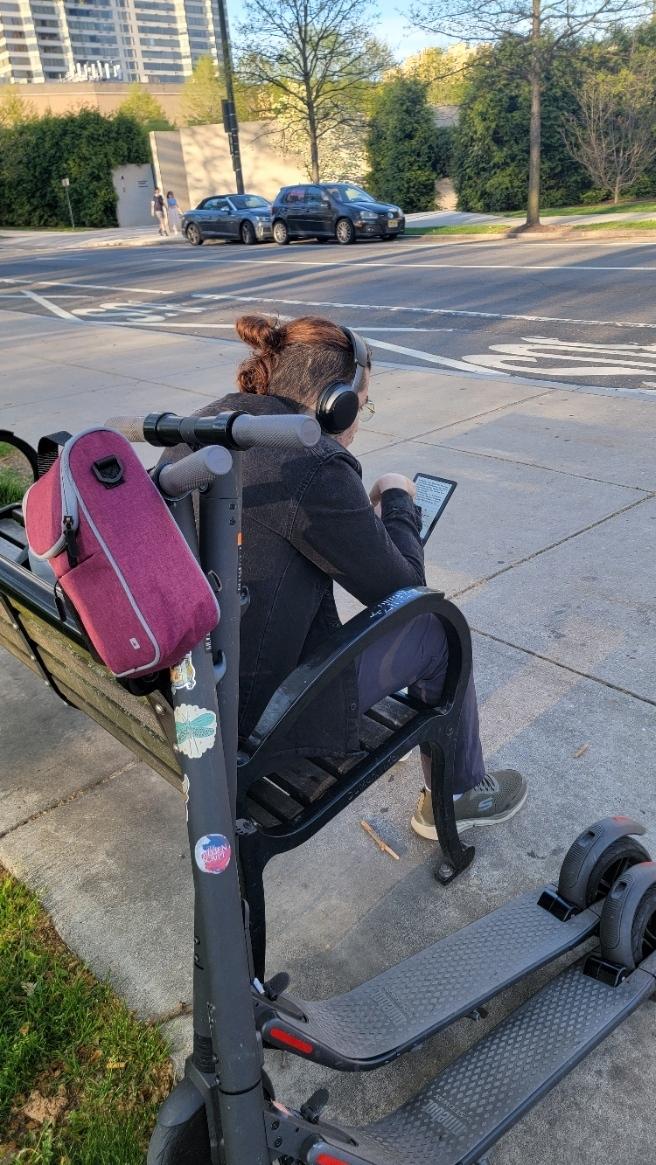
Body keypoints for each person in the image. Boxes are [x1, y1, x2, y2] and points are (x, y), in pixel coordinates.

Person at [169, 315, 527, 840]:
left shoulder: (201, 426)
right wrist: (399, 499)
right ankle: (457, 795)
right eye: (363, 403)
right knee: (439, 631)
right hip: (257, 721)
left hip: (194, 687)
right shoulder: (309, 461)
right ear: (336, 404)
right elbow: (405, 589)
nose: (360, 416)